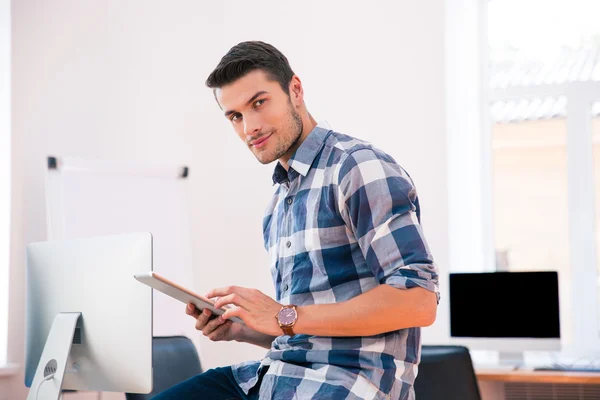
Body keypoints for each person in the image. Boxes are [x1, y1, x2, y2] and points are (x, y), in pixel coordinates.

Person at [152, 41, 439, 400]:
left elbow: (418, 301)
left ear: (296, 90)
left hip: (347, 385)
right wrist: (243, 329)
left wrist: (284, 315)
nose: (250, 127)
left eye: (259, 103)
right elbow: (302, 329)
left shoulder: (358, 167)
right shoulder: (278, 204)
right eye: (236, 116)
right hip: (272, 377)